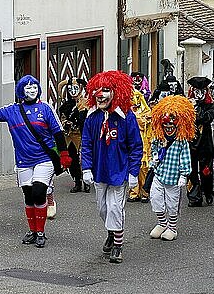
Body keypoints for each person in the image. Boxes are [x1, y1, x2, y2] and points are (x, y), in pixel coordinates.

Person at [0, 75, 72, 248]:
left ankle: (41, 232)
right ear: (20, 91)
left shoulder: (45, 108)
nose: (31, 90)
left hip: (44, 159)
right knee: (29, 196)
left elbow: (58, 132)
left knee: (39, 192)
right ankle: (32, 231)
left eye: (34, 86)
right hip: (24, 161)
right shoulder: (12, 111)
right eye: (27, 87)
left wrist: (64, 154)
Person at [81, 70, 143, 263]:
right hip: (100, 171)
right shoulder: (92, 118)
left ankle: (118, 246)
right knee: (102, 209)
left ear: (116, 92)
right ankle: (111, 231)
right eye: (97, 90)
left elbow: (135, 146)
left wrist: (133, 172)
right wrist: (86, 168)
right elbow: (86, 144)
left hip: (119, 172)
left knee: (115, 208)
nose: (101, 94)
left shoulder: (127, 117)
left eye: (106, 90)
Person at [148, 95, 196, 241]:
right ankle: (162, 223)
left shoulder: (181, 141)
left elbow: (186, 158)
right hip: (159, 174)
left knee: (172, 202)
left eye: (171, 127)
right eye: (166, 127)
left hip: (174, 177)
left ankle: (172, 228)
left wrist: (184, 175)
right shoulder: (159, 137)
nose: (168, 129)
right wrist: (154, 158)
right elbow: (153, 149)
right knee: (155, 198)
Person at [186, 76, 214, 207]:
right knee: (191, 171)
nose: (199, 94)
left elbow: (207, 118)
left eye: (202, 91)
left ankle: (207, 192)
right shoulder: (186, 106)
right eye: (196, 91)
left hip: (205, 143)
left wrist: (195, 111)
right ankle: (194, 197)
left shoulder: (210, 106)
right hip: (191, 143)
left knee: (206, 170)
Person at [58, 77, 89, 193]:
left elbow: (86, 120)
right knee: (72, 159)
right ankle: (77, 181)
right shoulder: (66, 105)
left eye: (75, 88)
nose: (73, 91)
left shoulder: (85, 104)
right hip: (69, 136)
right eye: (70, 89)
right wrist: (65, 123)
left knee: (83, 158)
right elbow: (62, 118)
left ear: (80, 89)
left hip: (82, 135)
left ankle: (86, 182)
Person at [128, 89, 153, 203]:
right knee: (133, 166)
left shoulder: (146, 111)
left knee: (143, 168)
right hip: (132, 143)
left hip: (143, 143)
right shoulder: (127, 112)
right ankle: (134, 192)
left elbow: (147, 121)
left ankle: (145, 192)